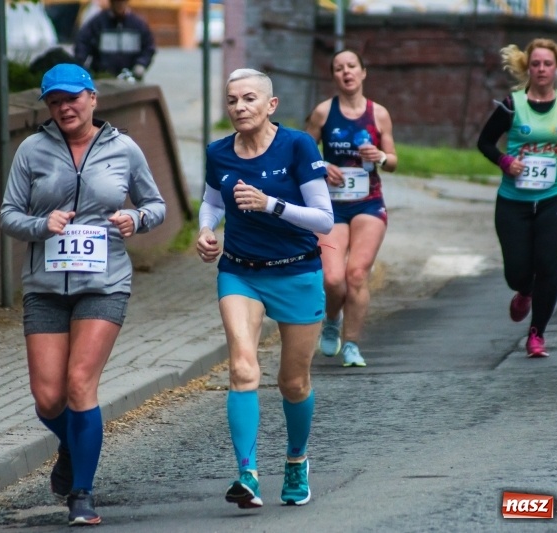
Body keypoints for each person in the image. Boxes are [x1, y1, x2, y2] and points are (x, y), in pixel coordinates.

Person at [0, 63, 166, 525]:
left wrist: (137, 219)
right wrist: (40, 224)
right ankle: (73, 446)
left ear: (93, 98)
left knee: (79, 385)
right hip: (46, 287)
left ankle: (82, 494)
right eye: (54, 102)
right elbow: (8, 214)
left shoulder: (123, 148)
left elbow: (156, 204)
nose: (63, 108)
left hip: (105, 283)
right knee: (49, 398)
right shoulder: (32, 150)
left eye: (71, 98)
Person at [196, 68, 333, 509]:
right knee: (242, 368)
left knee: (293, 382)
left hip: (296, 272)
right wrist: (204, 230)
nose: (240, 107)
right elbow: (212, 201)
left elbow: (324, 219)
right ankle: (248, 475)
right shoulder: (218, 153)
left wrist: (271, 204)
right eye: (233, 100)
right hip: (241, 272)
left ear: (270, 104)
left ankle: (296, 460)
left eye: (249, 99)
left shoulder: (297, 145)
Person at [477, 38, 557, 357]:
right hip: (513, 199)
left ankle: (536, 334)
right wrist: (505, 162)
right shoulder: (511, 105)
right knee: (517, 271)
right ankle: (524, 290)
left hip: (556, 196)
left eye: (547, 64)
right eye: (535, 64)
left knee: (547, 264)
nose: (541, 69)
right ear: (527, 68)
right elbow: (485, 143)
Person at [305, 49, 398, 367]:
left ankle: (352, 345)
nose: (346, 72)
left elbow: (394, 160)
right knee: (332, 278)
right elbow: (302, 154)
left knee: (356, 274)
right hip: (330, 207)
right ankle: (332, 320)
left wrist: (381, 158)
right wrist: (321, 165)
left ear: (363, 72)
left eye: (352, 66)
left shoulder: (379, 114)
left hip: (369, 204)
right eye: (339, 68)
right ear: (334, 76)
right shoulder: (322, 113)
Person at [74, 0, 156, 82]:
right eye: (116, 2)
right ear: (111, 3)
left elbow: (148, 47)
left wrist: (141, 64)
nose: (119, 5)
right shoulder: (98, 23)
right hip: (102, 77)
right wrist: (81, 62)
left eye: (122, 2)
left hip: (130, 78)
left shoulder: (138, 25)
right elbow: (82, 42)